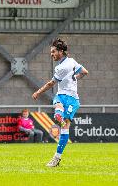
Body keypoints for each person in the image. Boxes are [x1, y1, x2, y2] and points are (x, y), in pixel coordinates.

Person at [32, 38, 88, 167]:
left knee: (62, 122)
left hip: (68, 98)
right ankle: (56, 158)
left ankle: (56, 157)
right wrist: (75, 77)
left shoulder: (61, 67)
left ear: (61, 51)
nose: (51, 54)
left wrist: (38, 92)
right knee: (62, 124)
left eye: (53, 52)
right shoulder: (72, 61)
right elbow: (85, 72)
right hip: (67, 97)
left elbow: (51, 83)